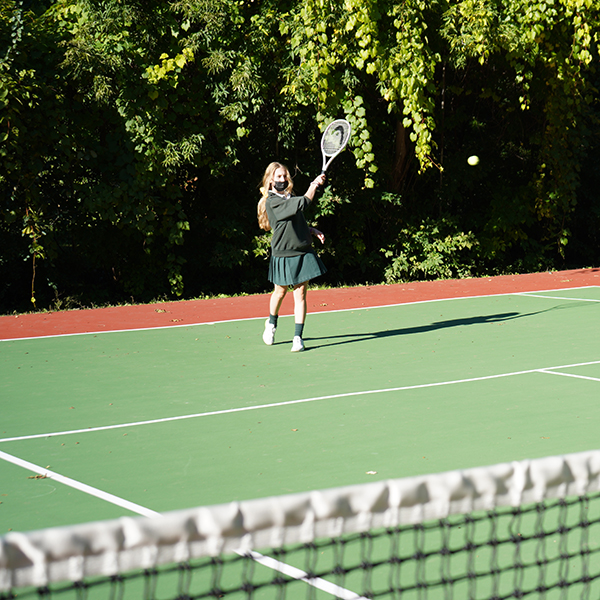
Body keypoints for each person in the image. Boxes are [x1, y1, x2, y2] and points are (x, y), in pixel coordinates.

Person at [257, 162, 327, 352]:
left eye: (285, 176)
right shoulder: (273, 201)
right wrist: (313, 185)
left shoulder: (289, 197)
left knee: (301, 294)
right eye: (279, 177)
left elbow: (296, 221)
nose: (283, 179)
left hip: (301, 252)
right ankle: (271, 324)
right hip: (282, 253)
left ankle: (298, 337)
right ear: (271, 180)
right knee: (280, 292)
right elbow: (304, 202)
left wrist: (311, 230)